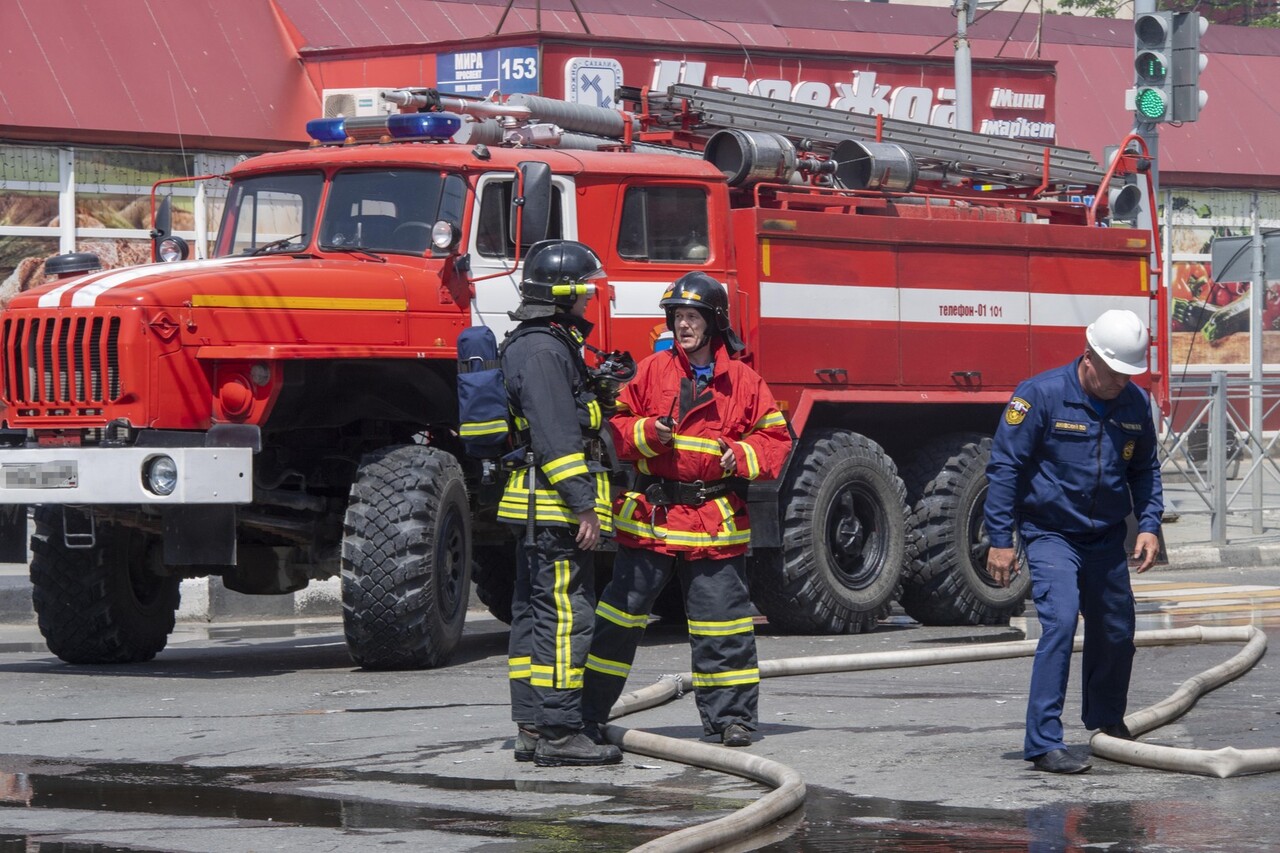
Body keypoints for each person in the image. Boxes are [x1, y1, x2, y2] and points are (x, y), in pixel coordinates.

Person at [582, 271, 792, 748]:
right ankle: (588, 714)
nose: (683, 326)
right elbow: (613, 424)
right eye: (676, 317)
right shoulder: (650, 371)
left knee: (725, 628)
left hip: (711, 519)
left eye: (692, 317)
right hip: (653, 517)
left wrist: (738, 456)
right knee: (618, 622)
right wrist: (644, 434)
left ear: (714, 322)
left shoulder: (743, 380)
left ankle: (731, 720)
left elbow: (776, 440)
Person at [985, 308, 1164, 775]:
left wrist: (1148, 524)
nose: (1121, 383)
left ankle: (1106, 723)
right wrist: (1000, 539)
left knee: (1117, 630)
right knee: (1061, 623)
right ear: (1089, 358)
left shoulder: (1133, 403)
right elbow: (1005, 468)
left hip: (1105, 536)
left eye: (1129, 375)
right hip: (1050, 533)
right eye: (1113, 374)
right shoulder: (1040, 396)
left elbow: (1144, 468)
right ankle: (1044, 741)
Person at [498, 239, 622, 768]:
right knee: (567, 617)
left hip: (533, 506)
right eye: (586, 290)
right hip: (554, 509)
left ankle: (532, 723)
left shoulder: (535, 343)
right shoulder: (546, 350)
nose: (591, 299)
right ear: (564, 293)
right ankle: (559, 731)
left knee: (531, 614)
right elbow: (555, 436)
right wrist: (583, 506)